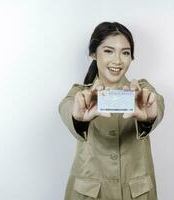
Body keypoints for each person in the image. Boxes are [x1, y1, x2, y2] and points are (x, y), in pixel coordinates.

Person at [59, 21, 165, 200]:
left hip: (137, 194)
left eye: (125, 52)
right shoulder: (79, 93)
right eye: (108, 51)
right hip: (89, 195)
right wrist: (77, 118)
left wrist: (149, 118)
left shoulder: (142, 90)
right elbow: (66, 106)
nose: (117, 60)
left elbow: (157, 103)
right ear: (94, 53)